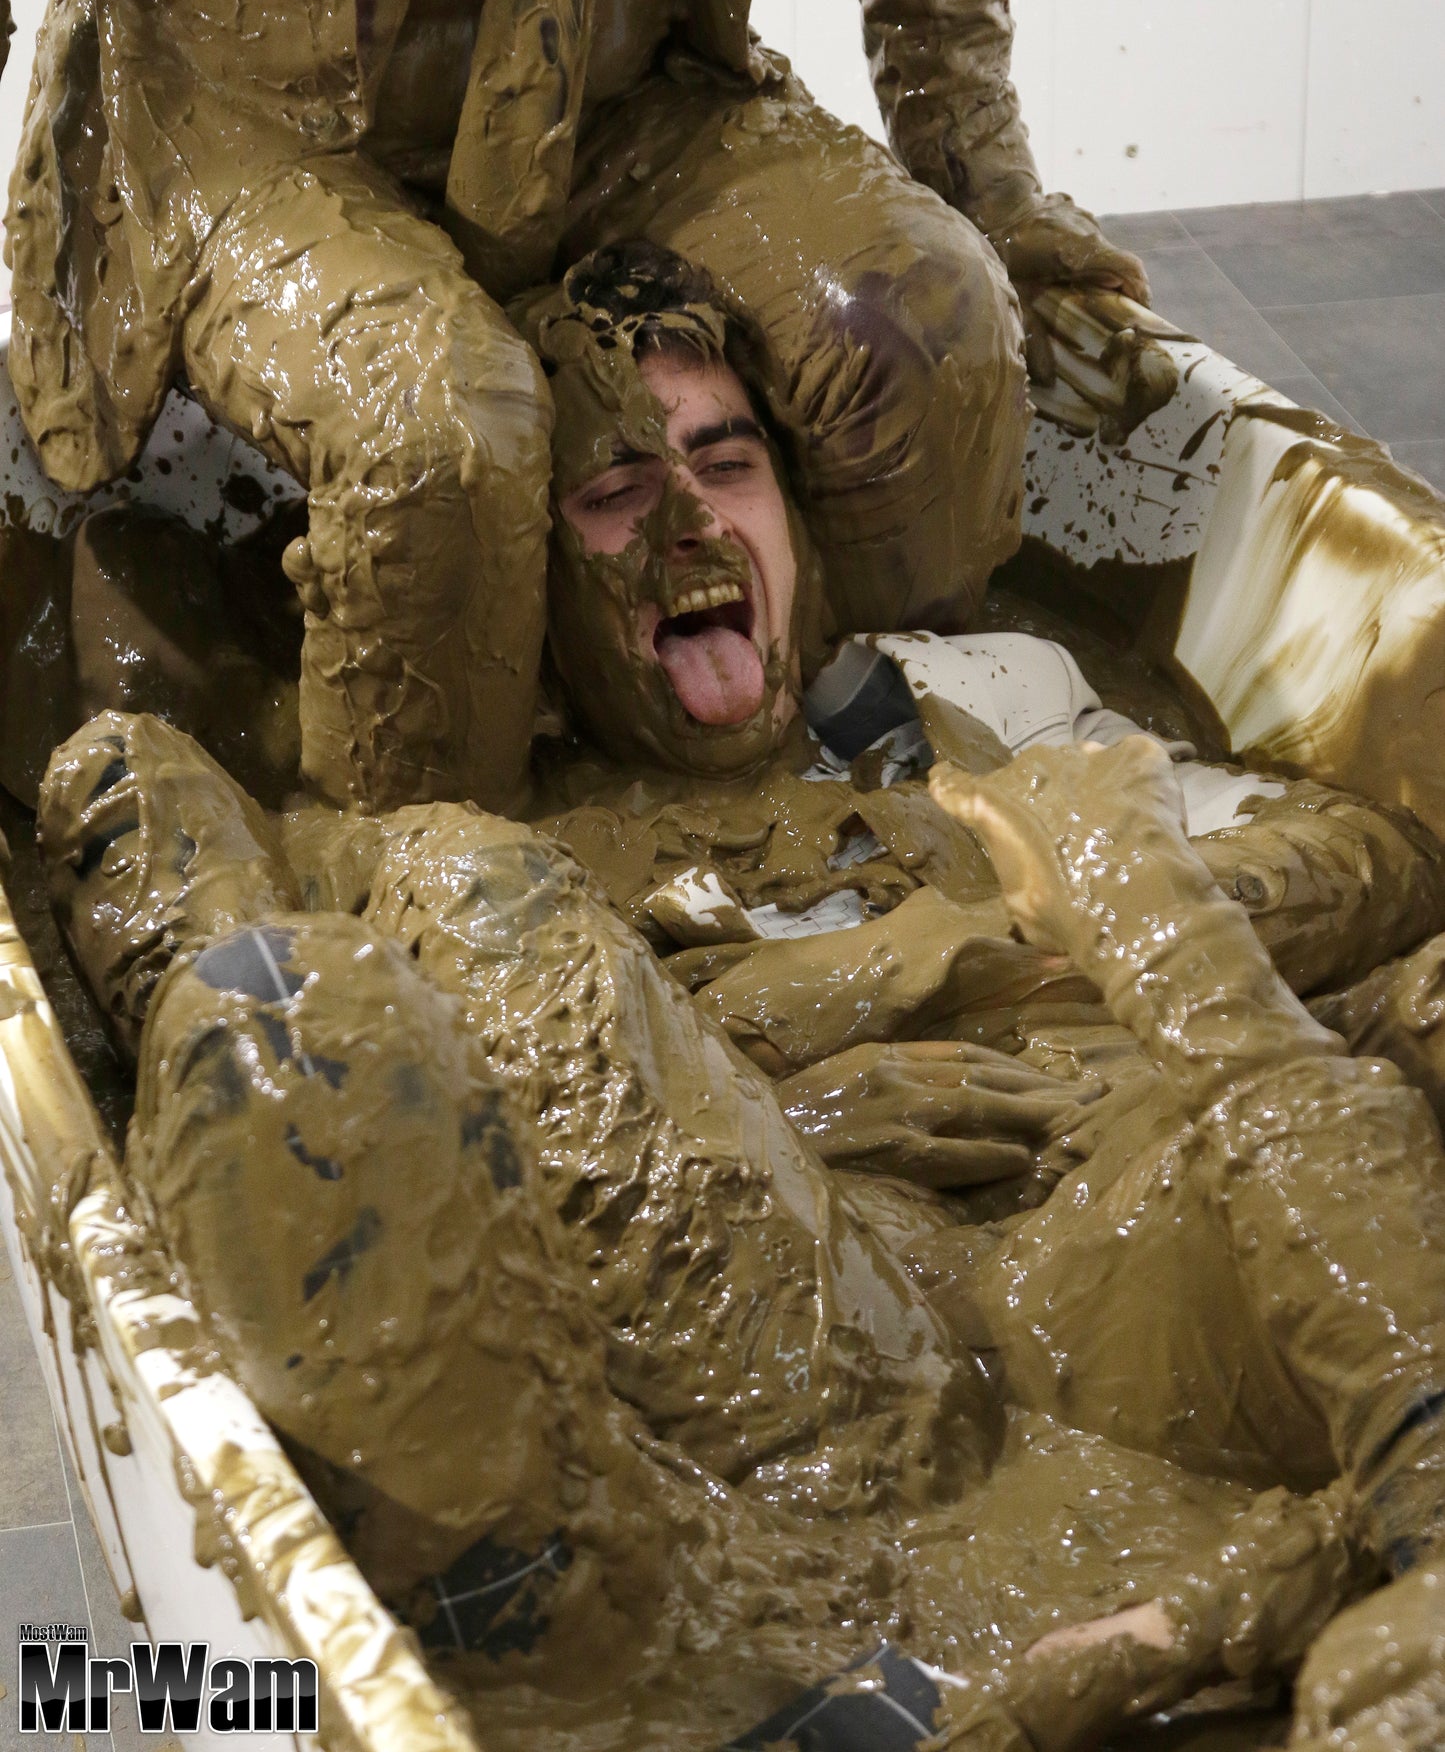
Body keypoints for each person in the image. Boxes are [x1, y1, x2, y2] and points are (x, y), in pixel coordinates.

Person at [38, 245, 1445, 1748]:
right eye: (614, 493)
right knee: (454, 897)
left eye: (726, 461)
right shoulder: (504, 845)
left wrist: (1030, 927)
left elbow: (1382, 851)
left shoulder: (968, 700)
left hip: (1135, 1215)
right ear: (534, 582)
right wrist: (861, 1010)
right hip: (811, 1343)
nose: (692, 516)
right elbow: (338, 991)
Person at [0, 0, 1154, 815]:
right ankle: (428, 883)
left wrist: (983, 179)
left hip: (619, 92)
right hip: (249, 119)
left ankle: (853, 788)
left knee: (932, 331)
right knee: (436, 432)